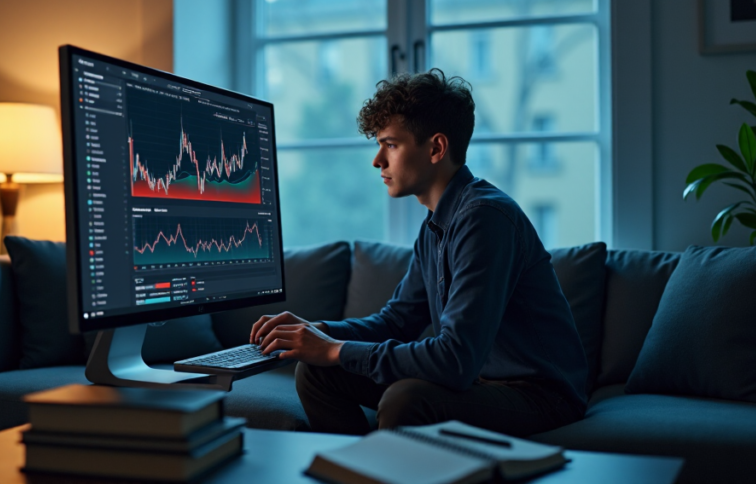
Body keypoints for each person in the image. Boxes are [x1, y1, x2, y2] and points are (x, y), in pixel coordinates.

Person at [250, 69, 588, 437]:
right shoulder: (435, 225)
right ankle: (361, 470)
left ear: (436, 148)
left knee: (406, 399)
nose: (377, 160)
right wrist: (320, 332)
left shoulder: (485, 218)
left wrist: (337, 350)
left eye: (390, 145)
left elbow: (455, 360)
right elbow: (396, 322)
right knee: (317, 372)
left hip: (539, 397)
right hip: (479, 383)